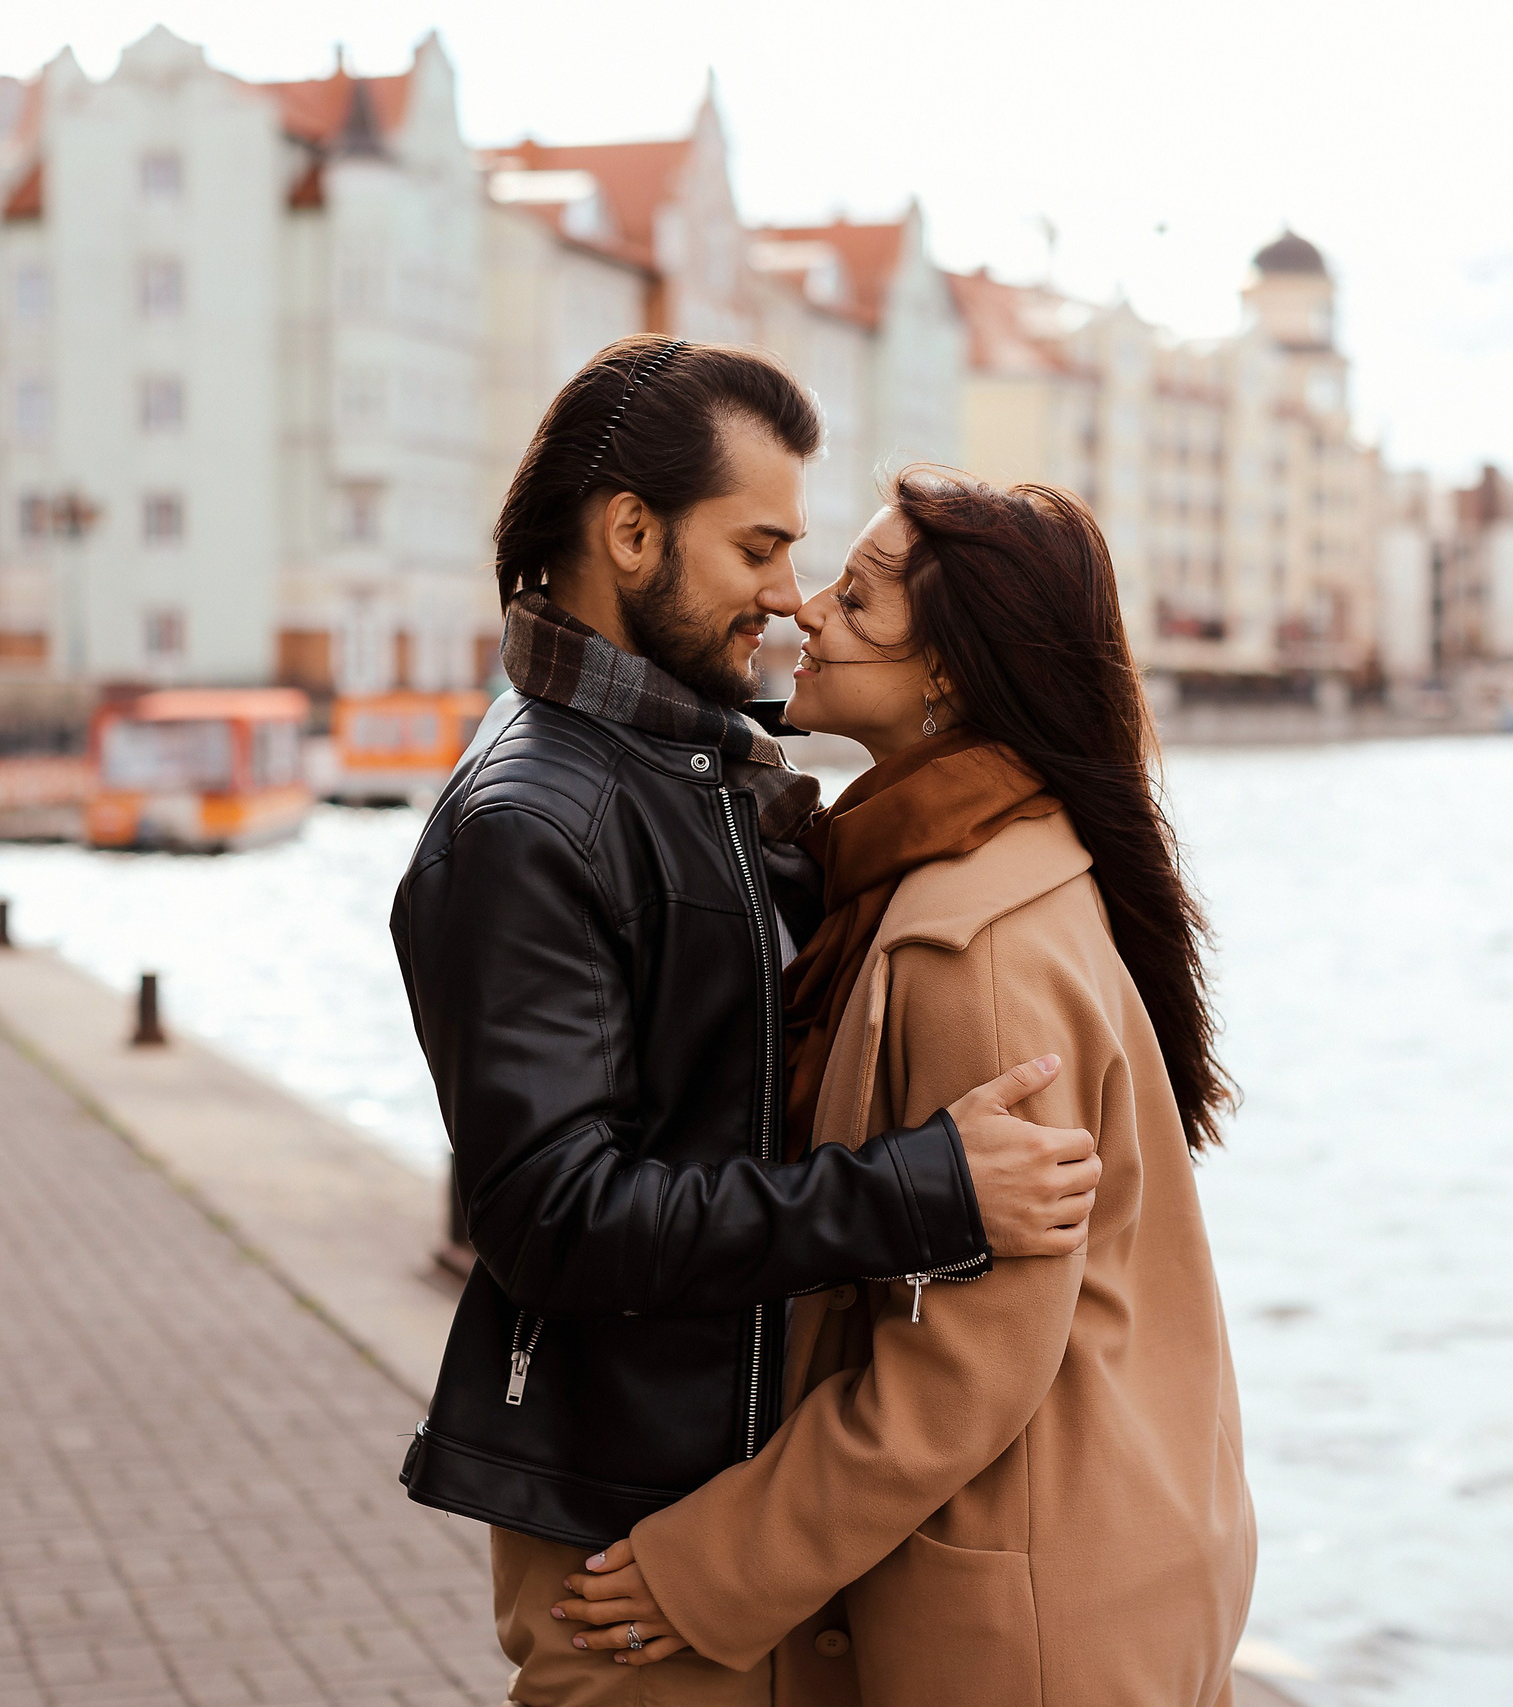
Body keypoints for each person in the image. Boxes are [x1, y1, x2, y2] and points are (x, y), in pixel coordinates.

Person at [392, 340, 1106, 1706]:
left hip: (727, 1503)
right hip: (631, 1532)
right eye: (760, 548)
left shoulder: (689, 760)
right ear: (631, 534)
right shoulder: (534, 819)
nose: (788, 594)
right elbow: (553, 1217)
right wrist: (921, 1192)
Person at [551, 469, 1257, 1705]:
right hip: (1086, 1539)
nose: (807, 608)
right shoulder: (968, 859)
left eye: (860, 597)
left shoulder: (967, 946)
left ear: (951, 673)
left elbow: (965, 1365)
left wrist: (705, 1570)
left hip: (1027, 1612)